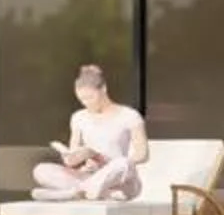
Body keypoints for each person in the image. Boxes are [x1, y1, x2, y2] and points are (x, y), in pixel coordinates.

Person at [30, 65, 147, 201]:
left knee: (123, 163)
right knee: (41, 170)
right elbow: (73, 157)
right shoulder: (78, 117)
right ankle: (88, 192)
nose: (86, 103)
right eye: (82, 100)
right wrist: (77, 159)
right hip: (90, 175)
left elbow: (142, 155)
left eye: (90, 97)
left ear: (103, 89)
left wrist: (104, 161)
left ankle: (73, 193)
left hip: (119, 180)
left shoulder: (129, 115)